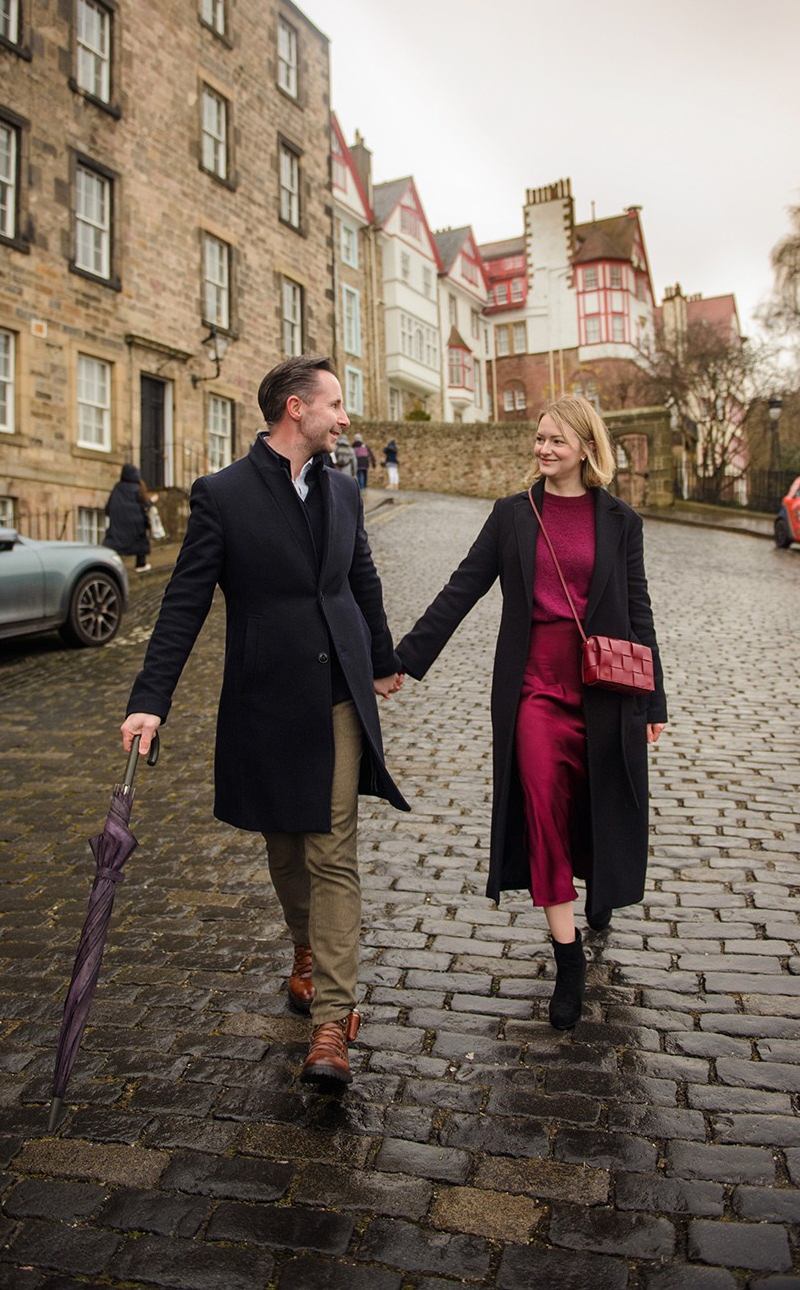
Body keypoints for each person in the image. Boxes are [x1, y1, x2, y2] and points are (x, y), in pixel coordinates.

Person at [119, 356, 406, 1088]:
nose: (344, 419)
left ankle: (332, 1025)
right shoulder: (222, 496)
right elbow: (182, 604)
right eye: (334, 405)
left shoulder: (344, 490)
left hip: (339, 690)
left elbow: (360, 580)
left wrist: (378, 658)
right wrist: (150, 699)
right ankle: (305, 949)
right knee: (285, 844)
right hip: (267, 696)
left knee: (330, 847)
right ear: (292, 409)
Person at [396, 396, 666, 1030]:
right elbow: (462, 587)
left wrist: (654, 697)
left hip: (603, 688)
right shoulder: (513, 516)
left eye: (556, 440)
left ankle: (599, 891)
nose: (544, 449)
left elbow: (639, 608)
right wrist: (403, 658)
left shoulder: (620, 521)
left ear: (586, 448)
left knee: (599, 803)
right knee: (543, 806)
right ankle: (568, 959)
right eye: (539, 438)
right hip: (533, 688)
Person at [103, 463, 152, 573]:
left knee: (115, 544)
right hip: (136, 524)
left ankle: (111, 564)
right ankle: (140, 564)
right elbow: (145, 504)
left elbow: (108, 507)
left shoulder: (118, 488)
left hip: (119, 525)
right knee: (140, 543)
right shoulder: (138, 488)